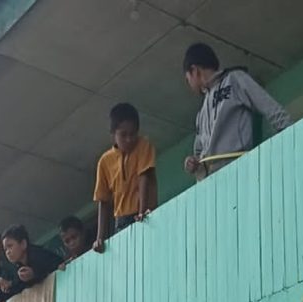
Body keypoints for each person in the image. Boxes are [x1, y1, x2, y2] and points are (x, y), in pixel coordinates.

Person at [182, 43, 291, 180]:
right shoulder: (201, 113)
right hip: (212, 182)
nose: (189, 85)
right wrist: (193, 163)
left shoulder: (234, 80)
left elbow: (271, 109)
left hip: (239, 169)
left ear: (195, 70)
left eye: (188, 79)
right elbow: (199, 155)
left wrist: (291, 140)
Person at [93, 103, 157, 253]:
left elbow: (143, 179)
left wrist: (142, 212)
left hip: (145, 213)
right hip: (121, 220)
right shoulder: (105, 161)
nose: (129, 139)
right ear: (113, 134)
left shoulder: (143, 146)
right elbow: (103, 200)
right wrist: (99, 238)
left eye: (133, 134)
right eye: (123, 135)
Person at [0, 226, 61, 298]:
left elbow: (54, 265)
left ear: (23, 244)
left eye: (10, 246)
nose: (7, 252)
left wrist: (34, 273)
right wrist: (8, 286)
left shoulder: (37, 254)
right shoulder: (18, 267)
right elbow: (20, 286)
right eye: (5, 249)